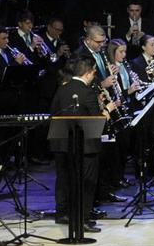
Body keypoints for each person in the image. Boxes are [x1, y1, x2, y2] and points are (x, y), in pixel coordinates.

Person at [48, 56, 112, 234]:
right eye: (94, 72)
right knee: (86, 183)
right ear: (88, 73)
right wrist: (107, 111)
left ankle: (63, 213)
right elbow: (96, 122)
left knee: (65, 180)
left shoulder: (62, 89)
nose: (94, 76)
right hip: (85, 147)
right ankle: (83, 219)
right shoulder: (87, 92)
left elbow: (53, 113)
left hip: (62, 144)